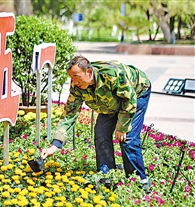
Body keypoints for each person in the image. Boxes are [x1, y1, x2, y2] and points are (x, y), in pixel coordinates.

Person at [41, 55, 152, 191]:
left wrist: (122, 127)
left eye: (77, 76)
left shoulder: (113, 75)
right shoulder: (77, 86)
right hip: (111, 103)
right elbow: (69, 113)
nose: (74, 82)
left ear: (89, 72)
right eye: (72, 78)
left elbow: (129, 100)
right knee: (101, 132)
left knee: (128, 138)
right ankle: (106, 176)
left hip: (137, 92)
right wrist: (55, 145)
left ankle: (139, 180)